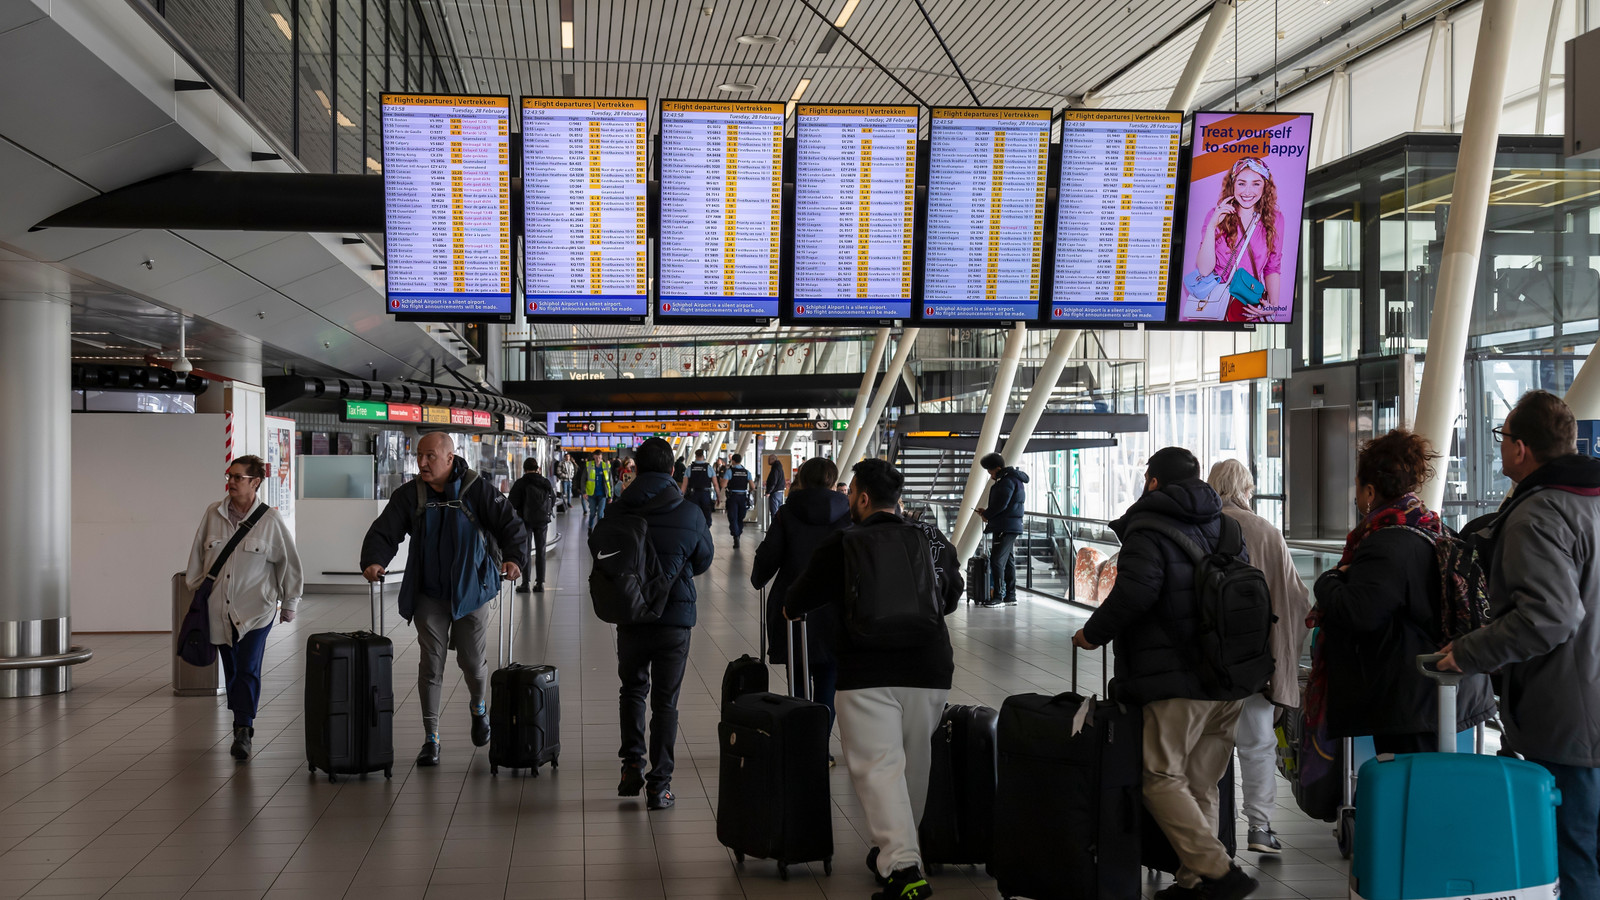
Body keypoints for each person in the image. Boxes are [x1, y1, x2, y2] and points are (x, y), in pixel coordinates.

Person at [1071, 447, 1258, 900]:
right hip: (1230, 677)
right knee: (1201, 782)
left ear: (1153, 481)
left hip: (1176, 679)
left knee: (1160, 778)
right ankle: (1195, 881)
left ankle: (1216, 871)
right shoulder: (1227, 526)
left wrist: (1092, 634)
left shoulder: (1148, 528)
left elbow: (1137, 591)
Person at [1439, 391, 1600, 899]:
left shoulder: (1538, 514)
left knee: (1572, 854)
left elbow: (1549, 615)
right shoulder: (1590, 502)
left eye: (1501, 437)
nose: (1500, 447)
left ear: (1521, 449)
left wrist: (1467, 652)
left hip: (1569, 717)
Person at [785, 459, 963, 900]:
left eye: (851, 496)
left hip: (867, 672)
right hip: (930, 667)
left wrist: (792, 607)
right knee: (913, 763)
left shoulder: (843, 542)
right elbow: (952, 596)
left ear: (863, 498)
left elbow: (798, 598)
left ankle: (903, 867)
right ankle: (898, 850)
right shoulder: (931, 538)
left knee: (879, 768)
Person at [1311, 430, 1494, 756]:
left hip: (1412, 700)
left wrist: (1328, 580)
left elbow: (1357, 613)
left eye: (1358, 487)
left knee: (1411, 795)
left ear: (1370, 491)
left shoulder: (1384, 543)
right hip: (1443, 689)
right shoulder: (1432, 526)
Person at [359, 432, 527, 767]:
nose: (421, 462)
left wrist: (514, 559)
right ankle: (431, 738)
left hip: (472, 591)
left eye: (430, 456)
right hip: (429, 594)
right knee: (431, 664)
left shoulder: (477, 490)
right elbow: (385, 530)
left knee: (472, 662)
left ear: (450, 458)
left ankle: (479, 708)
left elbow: (511, 524)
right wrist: (374, 560)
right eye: (418, 455)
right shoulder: (411, 495)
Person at [1207, 459, 1310, 855]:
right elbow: (1296, 597)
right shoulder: (1266, 531)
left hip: (1211, 660)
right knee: (1258, 744)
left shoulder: (1204, 527)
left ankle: (1210, 831)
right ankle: (1260, 828)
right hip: (1256, 662)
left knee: (1207, 746)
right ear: (1246, 489)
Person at [611, 437, 715, 810]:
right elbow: (702, 561)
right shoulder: (689, 513)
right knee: (666, 702)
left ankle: (631, 766)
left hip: (631, 614)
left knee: (633, 690)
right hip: (674, 617)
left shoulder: (618, 508)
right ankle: (660, 785)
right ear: (673, 470)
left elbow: (605, 554)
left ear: (635, 468)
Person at [185, 455, 303, 761]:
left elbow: (289, 563)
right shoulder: (214, 513)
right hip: (217, 612)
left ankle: (243, 729)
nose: (232, 482)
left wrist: (289, 603)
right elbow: (198, 554)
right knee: (233, 669)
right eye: (230, 476)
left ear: (256, 482)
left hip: (256, 611)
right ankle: (242, 721)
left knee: (248, 667)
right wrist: (196, 589)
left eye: (239, 477)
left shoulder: (270, 520)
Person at [752, 457, 849, 733]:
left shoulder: (786, 513)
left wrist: (758, 577)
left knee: (797, 680)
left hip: (793, 606)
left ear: (801, 480)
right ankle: (819, 746)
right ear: (832, 481)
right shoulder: (849, 514)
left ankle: (801, 744)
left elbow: (769, 557)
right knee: (828, 681)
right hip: (835, 607)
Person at [1194, 156, 1285, 323]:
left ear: (1265, 186)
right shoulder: (1216, 214)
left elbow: (1273, 266)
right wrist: (1212, 226)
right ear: (1233, 184)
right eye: (1241, 183)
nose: (1247, 192)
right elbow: (1205, 270)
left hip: (1248, 308)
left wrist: (1273, 305)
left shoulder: (1275, 219)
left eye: (1256, 183)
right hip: (1213, 308)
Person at [974, 452, 1027, 607]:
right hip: (1010, 525)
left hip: (1006, 526)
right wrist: (988, 513)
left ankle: (998, 597)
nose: (990, 474)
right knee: (1008, 561)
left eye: (990, 471)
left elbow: (1001, 504)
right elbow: (1005, 505)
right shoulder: (1012, 479)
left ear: (997, 468)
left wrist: (988, 515)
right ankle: (1010, 596)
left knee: (997, 561)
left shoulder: (1006, 481)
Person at [508, 457, 554, 594]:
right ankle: (540, 584)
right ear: (538, 468)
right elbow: (553, 498)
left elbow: (512, 503)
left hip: (525, 521)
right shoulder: (545, 482)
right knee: (541, 551)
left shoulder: (521, 483)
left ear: (524, 469)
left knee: (526, 552)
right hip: (542, 521)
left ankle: (525, 584)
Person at [723, 453, 753, 549]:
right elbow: (752, 486)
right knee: (740, 517)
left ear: (733, 461)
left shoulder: (730, 471)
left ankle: (736, 535)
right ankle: (738, 533)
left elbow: (724, 484)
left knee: (733, 517)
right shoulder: (746, 472)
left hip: (733, 497)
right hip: (743, 497)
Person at [682, 449, 717, 527]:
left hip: (692, 494)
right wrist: (718, 496)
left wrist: (681, 496)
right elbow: (715, 484)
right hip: (705, 494)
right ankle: (706, 529)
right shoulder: (709, 468)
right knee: (707, 514)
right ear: (703, 456)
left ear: (695, 456)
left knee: (693, 514)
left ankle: (695, 530)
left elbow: (684, 485)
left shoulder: (690, 468)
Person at [584, 449, 613, 534]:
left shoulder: (606, 466)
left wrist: (610, 496)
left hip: (602, 494)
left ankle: (599, 531)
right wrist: (583, 492)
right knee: (592, 513)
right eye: (596, 457)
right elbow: (583, 479)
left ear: (601, 457)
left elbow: (610, 482)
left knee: (600, 515)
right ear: (593, 457)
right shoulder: (588, 465)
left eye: (599, 458)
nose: (598, 460)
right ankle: (590, 527)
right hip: (591, 494)